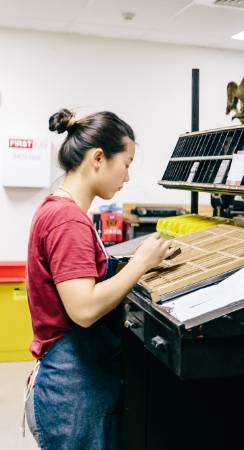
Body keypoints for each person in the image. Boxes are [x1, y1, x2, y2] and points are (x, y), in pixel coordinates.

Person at [24, 109, 176, 448]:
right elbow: (84, 308)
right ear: (98, 158)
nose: (126, 176)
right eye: (126, 163)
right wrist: (140, 264)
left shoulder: (58, 209)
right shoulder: (68, 221)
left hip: (73, 381)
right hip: (74, 389)